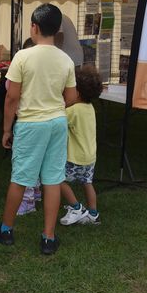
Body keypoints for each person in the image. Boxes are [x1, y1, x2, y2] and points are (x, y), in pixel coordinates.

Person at [0, 3, 78, 256]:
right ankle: (48, 238)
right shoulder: (65, 59)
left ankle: (6, 229)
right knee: (53, 179)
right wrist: (54, 107)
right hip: (57, 123)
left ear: (34, 27)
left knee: (21, 177)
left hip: (31, 124)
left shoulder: (23, 56)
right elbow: (72, 96)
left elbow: (11, 98)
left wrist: (7, 130)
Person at [59, 65, 104, 224]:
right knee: (87, 183)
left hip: (75, 157)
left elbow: (58, 121)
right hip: (90, 157)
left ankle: (76, 208)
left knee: (57, 180)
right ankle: (93, 214)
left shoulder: (73, 110)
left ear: (76, 92)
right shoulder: (89, 108)